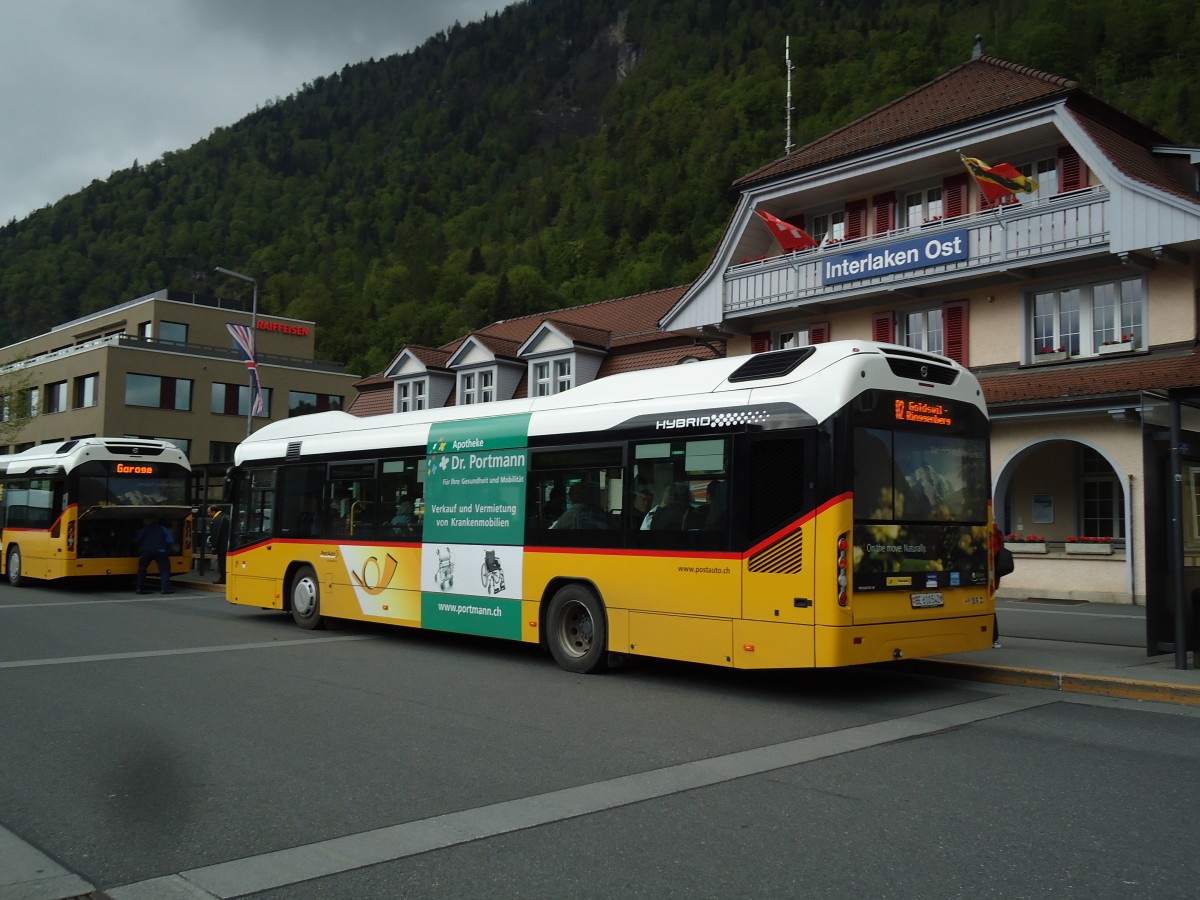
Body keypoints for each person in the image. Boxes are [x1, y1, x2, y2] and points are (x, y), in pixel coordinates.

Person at [135, 517, 174, 595]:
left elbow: (137, 539)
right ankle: (165, 589)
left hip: (146, 551)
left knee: (142, 569)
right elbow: (170, 541)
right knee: (164, 570)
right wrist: (167, 550)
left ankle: (139, 588)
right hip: (160, 551)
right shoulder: (163, 529)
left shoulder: (145, 529)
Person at [208, 505, 230, 584]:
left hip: (221, 545)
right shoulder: (226, 516)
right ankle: (225, 578)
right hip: (228, 544)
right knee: (225, 562)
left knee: (222, 562)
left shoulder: (217, 519)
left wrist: (214, 546)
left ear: (214, 511)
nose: (208, 514)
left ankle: (223, 579)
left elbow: (216, 534)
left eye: (209, 512)